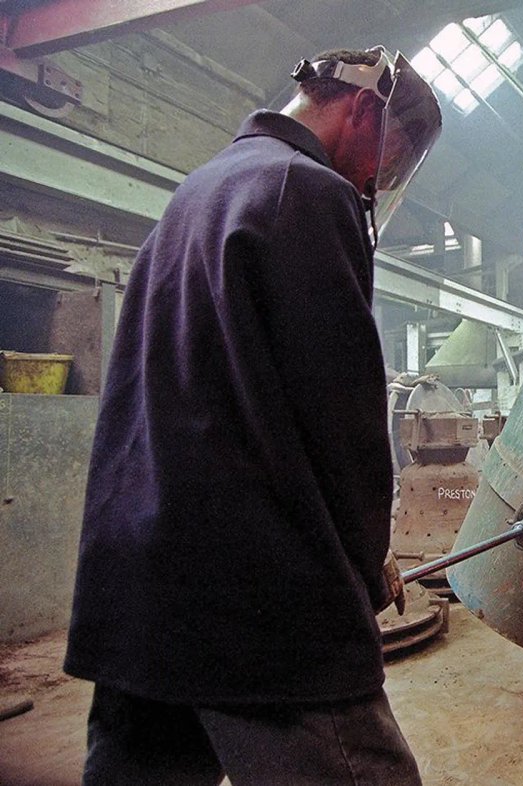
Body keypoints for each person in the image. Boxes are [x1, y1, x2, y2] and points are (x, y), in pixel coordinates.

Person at [63, 47, 441, 784]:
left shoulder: (197, 191)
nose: (372, 183)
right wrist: (361, 570)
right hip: (259, 593)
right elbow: (344, 418)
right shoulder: (304, 190)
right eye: (384, 166)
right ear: (363, 110)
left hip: (141, 586)